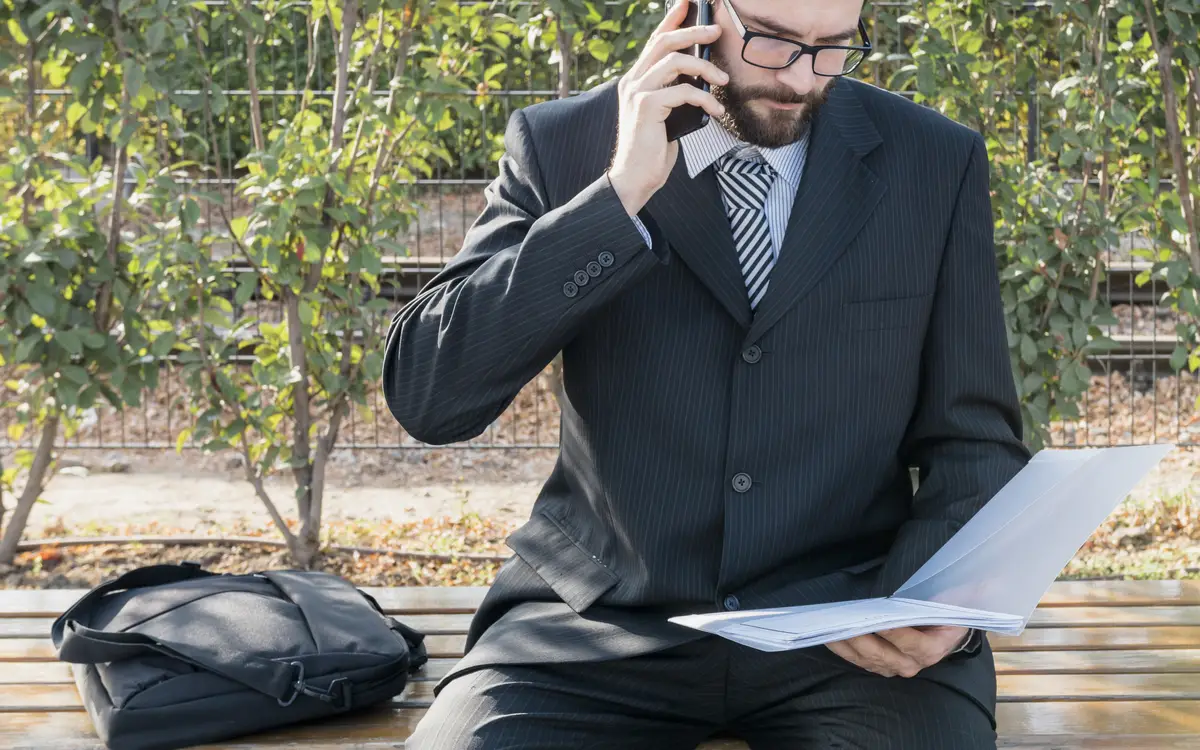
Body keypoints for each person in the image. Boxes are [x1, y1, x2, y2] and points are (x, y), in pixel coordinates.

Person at [382, 0, 1032, 746]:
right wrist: (617, 198)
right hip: (595, 625)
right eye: (772, 41)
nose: (800, 79)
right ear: (697, 11)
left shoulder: (934, 160)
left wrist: (937, 600)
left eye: (832, 47)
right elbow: (430, 395)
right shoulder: (562, 143)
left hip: (851, 633)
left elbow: (974, 440)